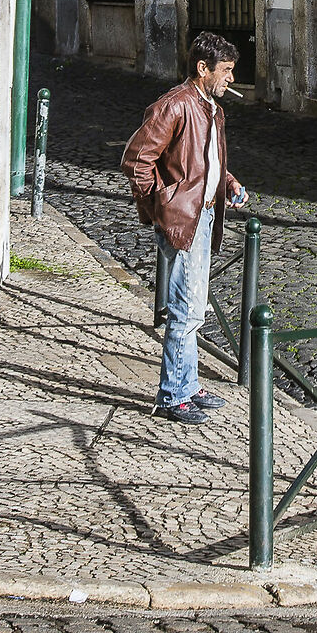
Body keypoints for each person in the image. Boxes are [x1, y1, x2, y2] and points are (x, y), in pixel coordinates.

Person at [122, 31, 250, 424]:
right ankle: (172, 395)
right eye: (226, 71)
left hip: (206, 214)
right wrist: (161, 205)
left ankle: (189, 385)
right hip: (184, 218)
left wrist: (228, 183)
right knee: (185, 310)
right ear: (203, 68)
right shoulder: (175, 106)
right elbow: (136, 159)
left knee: (195, 308)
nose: (231, 78)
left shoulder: (211, 107)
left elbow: (205, 159)